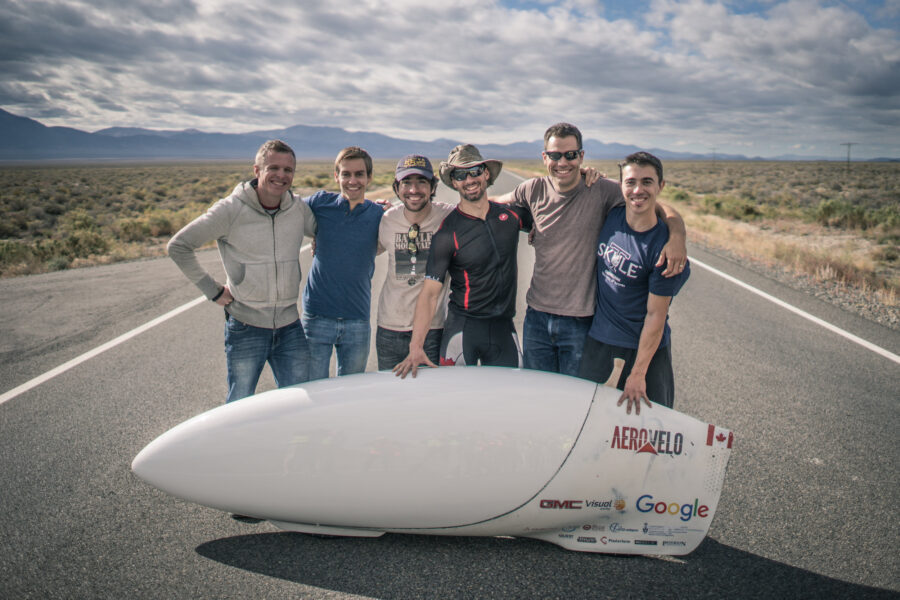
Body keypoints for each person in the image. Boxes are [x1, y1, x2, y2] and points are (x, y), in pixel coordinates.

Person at [494, 122, 687, 377]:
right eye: (555, 155)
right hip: (537, 317)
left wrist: (677, 236)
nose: (562, 162)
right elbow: (493, 204)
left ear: (581, 156)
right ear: (544, 158)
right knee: (538, 399)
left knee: (576, 404)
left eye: (570, 155)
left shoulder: (602, 190)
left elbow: (652, 204)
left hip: (581, 321)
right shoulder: (533, 189)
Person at [167, 139, 316, 403]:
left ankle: (293, 445)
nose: (281, 175)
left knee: (300, 402)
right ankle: (234, 446)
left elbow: (330, 230)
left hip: (290, 326)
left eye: (288, 170)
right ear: (257, 170)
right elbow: (179, 246)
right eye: (273, 168)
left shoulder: (298, 209)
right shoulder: (230, 210)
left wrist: (375, 210)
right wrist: (211, 291)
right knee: (239, 404)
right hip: (247, 327)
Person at [394, 144, 532, 378]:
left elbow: (552, 214)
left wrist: (583, 178)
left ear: (486, 174)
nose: (469, 179)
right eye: (460, 175)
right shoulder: (448, 233)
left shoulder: (511, 216)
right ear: (454, 182)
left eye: (474, 171)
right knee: (453, 406)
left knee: (507, 404)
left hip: (503, 327)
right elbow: (429, 294)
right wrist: (416, 347)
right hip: (464, 330)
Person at [578, 152, 691, 415]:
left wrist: (638, 373)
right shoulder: (613, 215)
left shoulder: (665, 251)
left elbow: (655, 315)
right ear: (621, 186)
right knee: (590, 426)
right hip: (600, 344)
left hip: (644, 354)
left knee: (644, 435)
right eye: (630, 182)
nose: (638, 190)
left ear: (661, 186)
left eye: (647, 182)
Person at [302, 146, 383, 379]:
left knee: (350, 394)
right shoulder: (319, 203)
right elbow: (285, 210)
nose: (352, 180)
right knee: (313, 391)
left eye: (359, 174)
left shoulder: (378, 215)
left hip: (357, 319)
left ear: (369, 178)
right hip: (317, 317)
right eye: (346, 174)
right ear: (336, 176)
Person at [375, 155, 455, 370]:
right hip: (390, 327)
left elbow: (482, 208)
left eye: (421, 182)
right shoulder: (386, 220)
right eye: (406, 182)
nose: (414, 190)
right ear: (396, 187)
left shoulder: (448, 217)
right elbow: (358, 246)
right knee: (392, 396)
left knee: (429, 397)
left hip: (433, 329)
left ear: (432, 186)